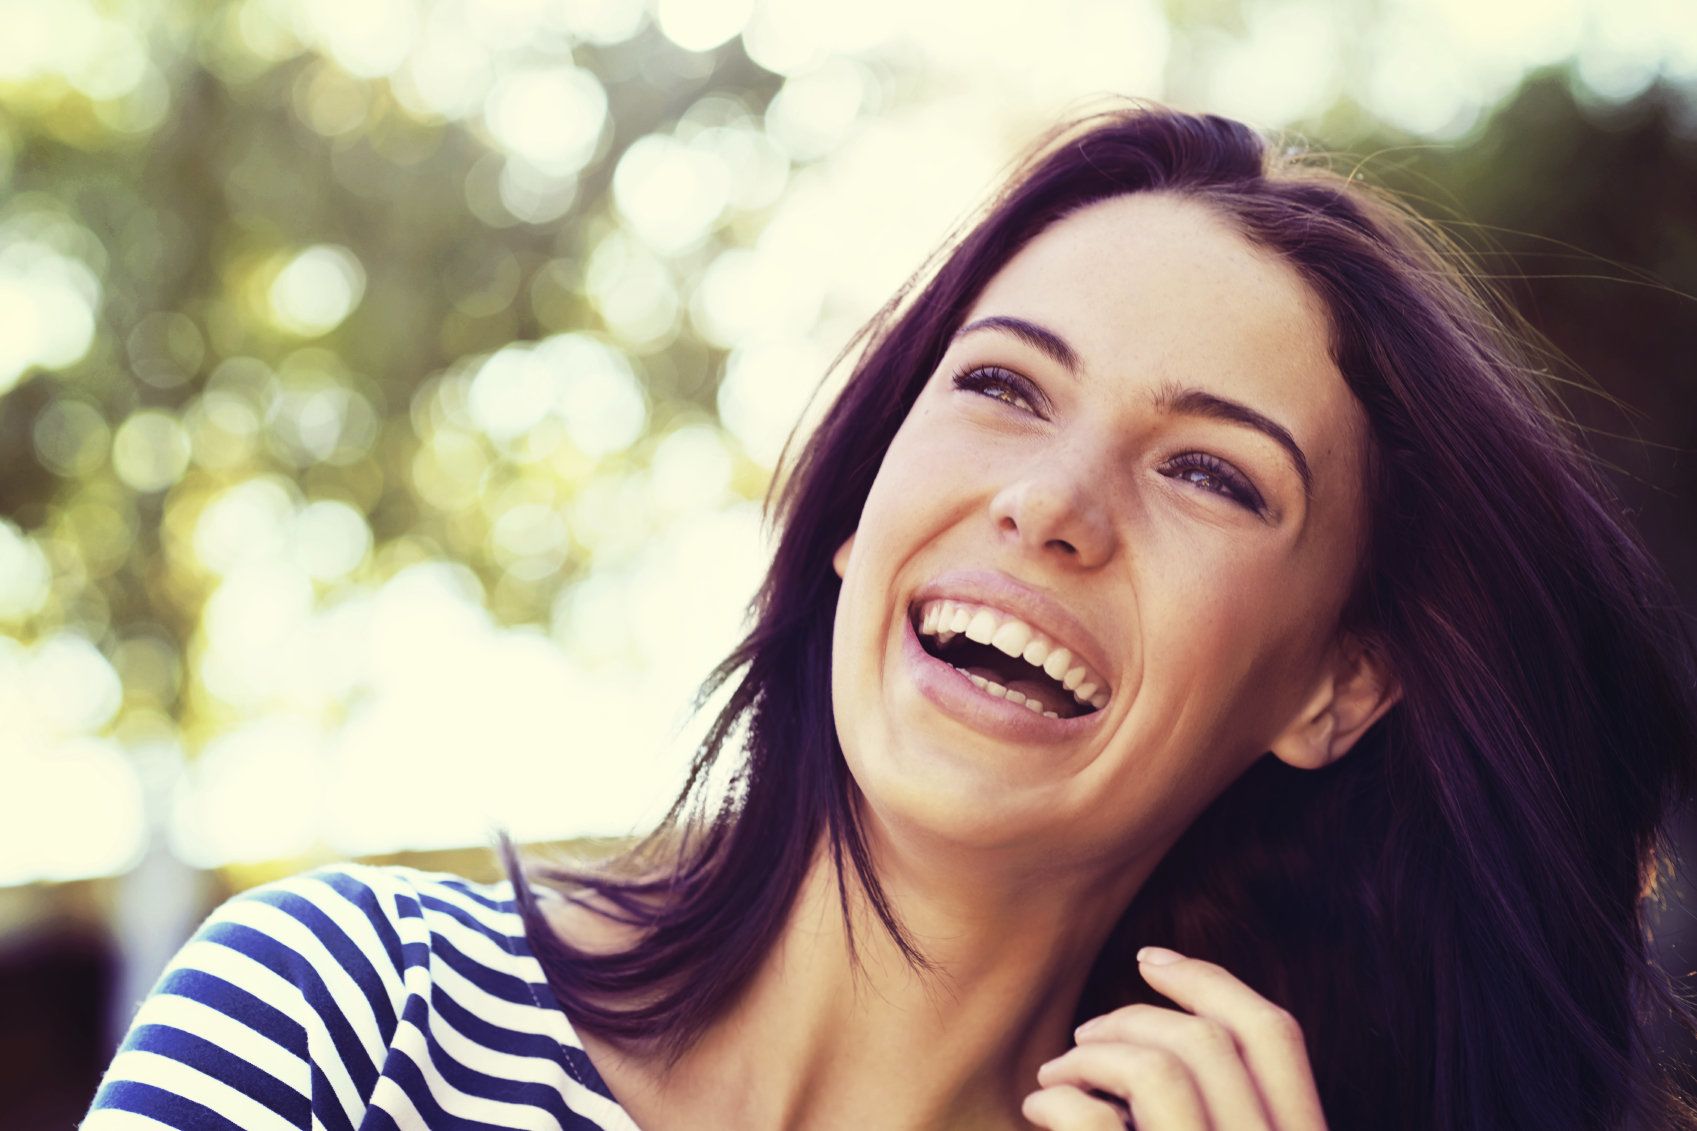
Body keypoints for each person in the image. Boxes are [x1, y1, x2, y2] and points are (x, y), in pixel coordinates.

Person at [84, 103, 1697, 1131]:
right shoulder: (342, 1017)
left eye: (1209, 474)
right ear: (858, 514)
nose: (1050, 505)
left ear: (1334, 689)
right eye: (1001, 386)